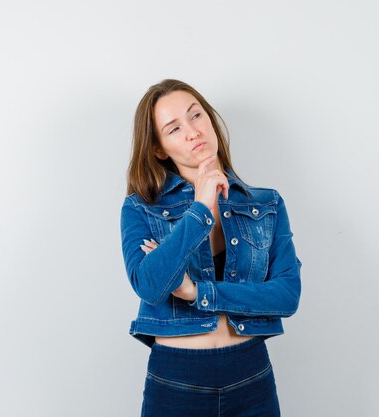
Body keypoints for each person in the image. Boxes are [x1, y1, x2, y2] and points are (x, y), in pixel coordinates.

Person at [119, 79, 302, 416]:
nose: (193, 132)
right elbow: (149, 284)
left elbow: (287, 295)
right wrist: (201, 208)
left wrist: (197, 293)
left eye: (196, 116)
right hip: (176, 379)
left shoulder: (267, 204)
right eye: (174, 128)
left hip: (251, 375)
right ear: (159, 148)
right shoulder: (141, 208)